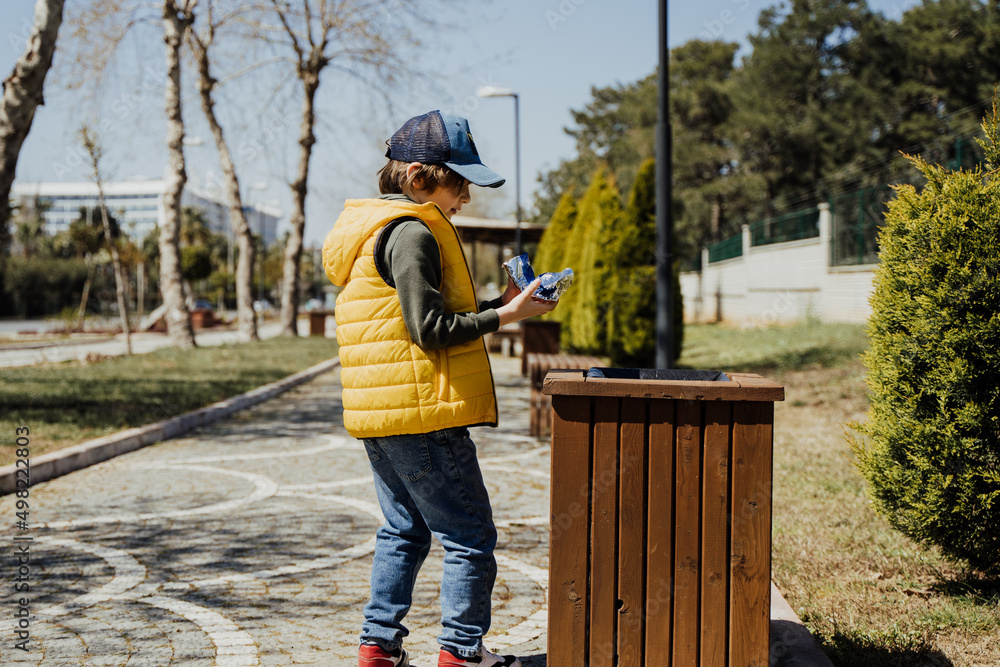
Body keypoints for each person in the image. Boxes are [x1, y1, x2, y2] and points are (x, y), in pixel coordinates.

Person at [323, 110, 556, 667]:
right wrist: (511, 317)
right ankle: (460, 653)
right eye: (460, 182)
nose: (466, 199)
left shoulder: (375, 229)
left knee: (404, 531)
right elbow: (429, 332)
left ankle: (378, 648)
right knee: (470, 534)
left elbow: (415, 319)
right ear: (420, 177)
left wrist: (501, 305)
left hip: (384, 412)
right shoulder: (412, 233)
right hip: (424, 411)